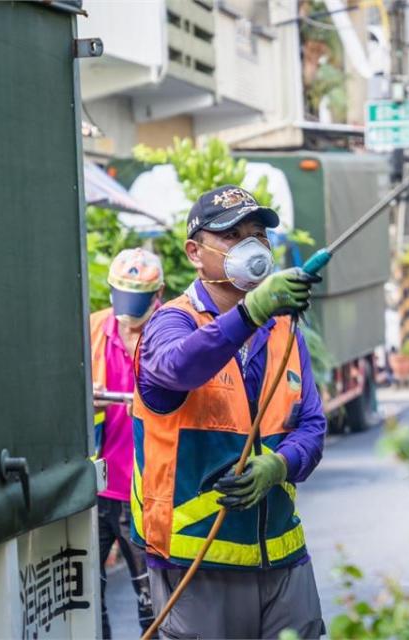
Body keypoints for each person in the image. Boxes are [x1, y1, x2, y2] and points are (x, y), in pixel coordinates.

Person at [131, 185, 327, 639]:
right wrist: (251, 311)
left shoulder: (285, 332)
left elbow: (313, 424)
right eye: (232, 235)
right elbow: (177, 368)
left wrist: (282, 464)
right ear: (195, 253)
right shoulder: (171, 323)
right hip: (195, 563)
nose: (250, 246)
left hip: (281, 556)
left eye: (257, 234)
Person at [90, 248, 164, 638]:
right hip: (98, 488)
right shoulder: (92, 330)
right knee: (87, 596)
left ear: (158, 295)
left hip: (145, 490)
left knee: (150, 601)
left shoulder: (168, 335)